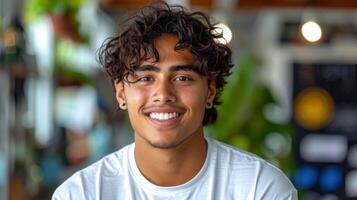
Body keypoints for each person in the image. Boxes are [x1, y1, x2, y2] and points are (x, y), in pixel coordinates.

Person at [52, 2, 297, 199]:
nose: (163, 94)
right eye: (146, 77)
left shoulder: (259, 189)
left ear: (210, 90)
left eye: (182, 77)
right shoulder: (81, 193)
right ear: (120, 93)